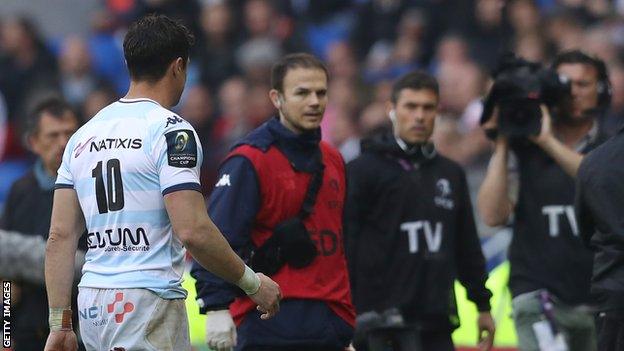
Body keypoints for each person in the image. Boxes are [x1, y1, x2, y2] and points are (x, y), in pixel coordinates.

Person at [43, 14, 281, 351]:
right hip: (146, 300)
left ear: (129, 64)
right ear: (178, 67)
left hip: (93, 304)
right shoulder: (172, 131)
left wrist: (60, 323)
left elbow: (59, 236)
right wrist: (252, 283)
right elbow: (193, 231)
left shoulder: (83, 135)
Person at [191, 53, 355, 351]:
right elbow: (218, 237)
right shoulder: (250, 160)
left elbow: (342, 244)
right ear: (277, 98)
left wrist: (344, 327)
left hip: (329, 323)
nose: (315, 101)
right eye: (302, 93)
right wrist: (215, 307)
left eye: (321, 92)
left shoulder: (334, 159)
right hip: (268, 320)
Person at [345, 71, 495, 351]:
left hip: (436, 320)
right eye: (411, 107)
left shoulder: (450, 174)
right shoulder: (362, 171)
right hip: (380, 324)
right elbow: (346, 246)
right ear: (392, 110)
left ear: (437, 112)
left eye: (427, 108)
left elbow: (466, 246)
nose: (419, 116)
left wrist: (482, 304)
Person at [477, 50, 610, 351]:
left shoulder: (612, 147)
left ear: (602, 90)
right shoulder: (523, 147)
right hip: (539, 295)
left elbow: (600, 183)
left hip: (602, 300)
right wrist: (502, 141)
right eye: (564, 83)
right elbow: (492, 215)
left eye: (582, 84)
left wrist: (547, 142)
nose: (572, 92)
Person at [0, 97, 81, 351]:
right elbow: (5, 279)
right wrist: (4, 334)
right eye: (53, 135)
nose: (63, 143)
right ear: (34, 142)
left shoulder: (88, 190)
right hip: (26, 333)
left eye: (69, 134)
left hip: (76, 333)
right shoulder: (19, 191)